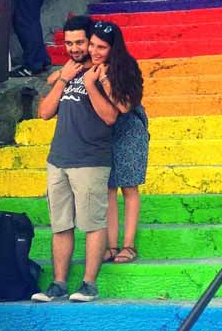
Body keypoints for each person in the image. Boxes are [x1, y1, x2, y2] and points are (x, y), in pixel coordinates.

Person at [32, 15, 118, 303]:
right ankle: (58, 284)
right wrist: (63, 78)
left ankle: (89, 284)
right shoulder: (66, 72)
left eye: (80, 42)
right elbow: (44, 112)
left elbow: (111, 117)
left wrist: (90, 78)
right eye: (69, 43)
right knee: (60, 225)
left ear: (91, 41)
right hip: (58, 159)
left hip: (91, 159)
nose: (75, 48)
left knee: (93, 223)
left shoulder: (105, 72)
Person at [86, 21, 148, 265]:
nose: (94, 51)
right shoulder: (88, 67)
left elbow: (124, 106)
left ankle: (128, 246)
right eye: (92, 44)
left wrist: (103, 80)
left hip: (130, 130)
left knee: (128, 187)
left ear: (113, 48)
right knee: (108, 188)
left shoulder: (126, 67)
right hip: (103, 132)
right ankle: (111, 246)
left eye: (101, 47)